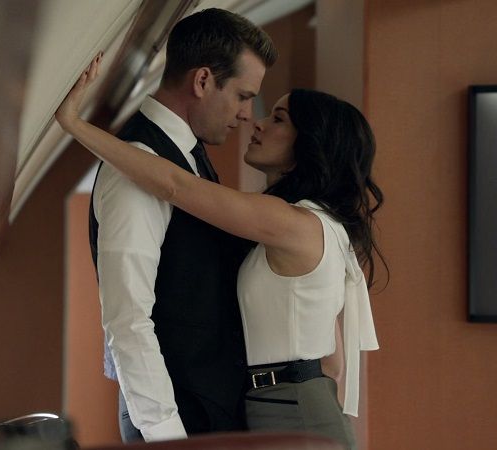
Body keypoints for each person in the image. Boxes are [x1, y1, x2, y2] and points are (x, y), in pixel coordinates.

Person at [56, 51, 384, 449]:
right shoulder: (315, 222)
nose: (257, 121)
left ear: (311, 143)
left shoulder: (291, 221)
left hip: (291, 407)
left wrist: (74, 125)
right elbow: (333, 362)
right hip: (288, 403)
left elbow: (174, 185)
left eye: (278, 119)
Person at [78, 9, 277, 443]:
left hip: (202, 409)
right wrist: (167, 435)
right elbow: (128, 317)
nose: (247, 114)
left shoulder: (188, 154)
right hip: (175, 420)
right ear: (202, 81)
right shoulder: (138, 164)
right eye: (242, 96)